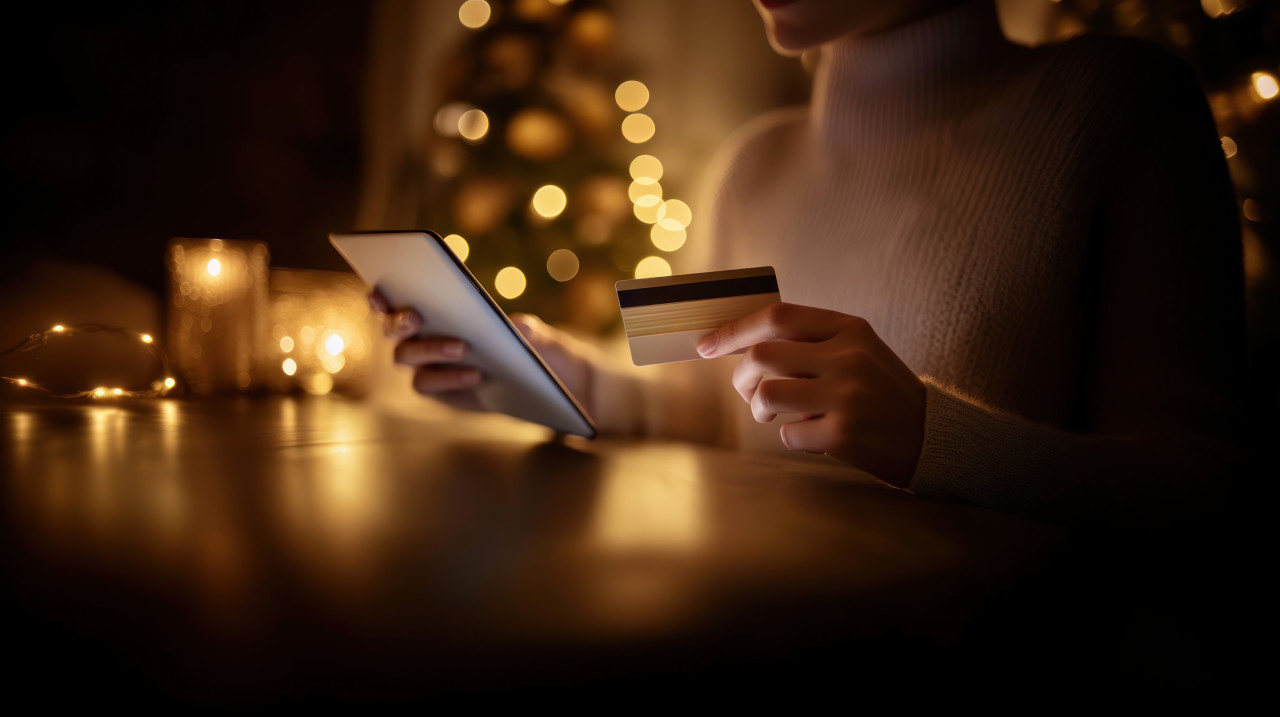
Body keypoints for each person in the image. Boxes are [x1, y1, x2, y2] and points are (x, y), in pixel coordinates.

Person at [371, 0, 1247, 524]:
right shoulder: (753, 163)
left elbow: (1202, 491)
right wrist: (565, 380)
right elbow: (704, 412)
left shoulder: (1119, 104)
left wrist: (931, 437)